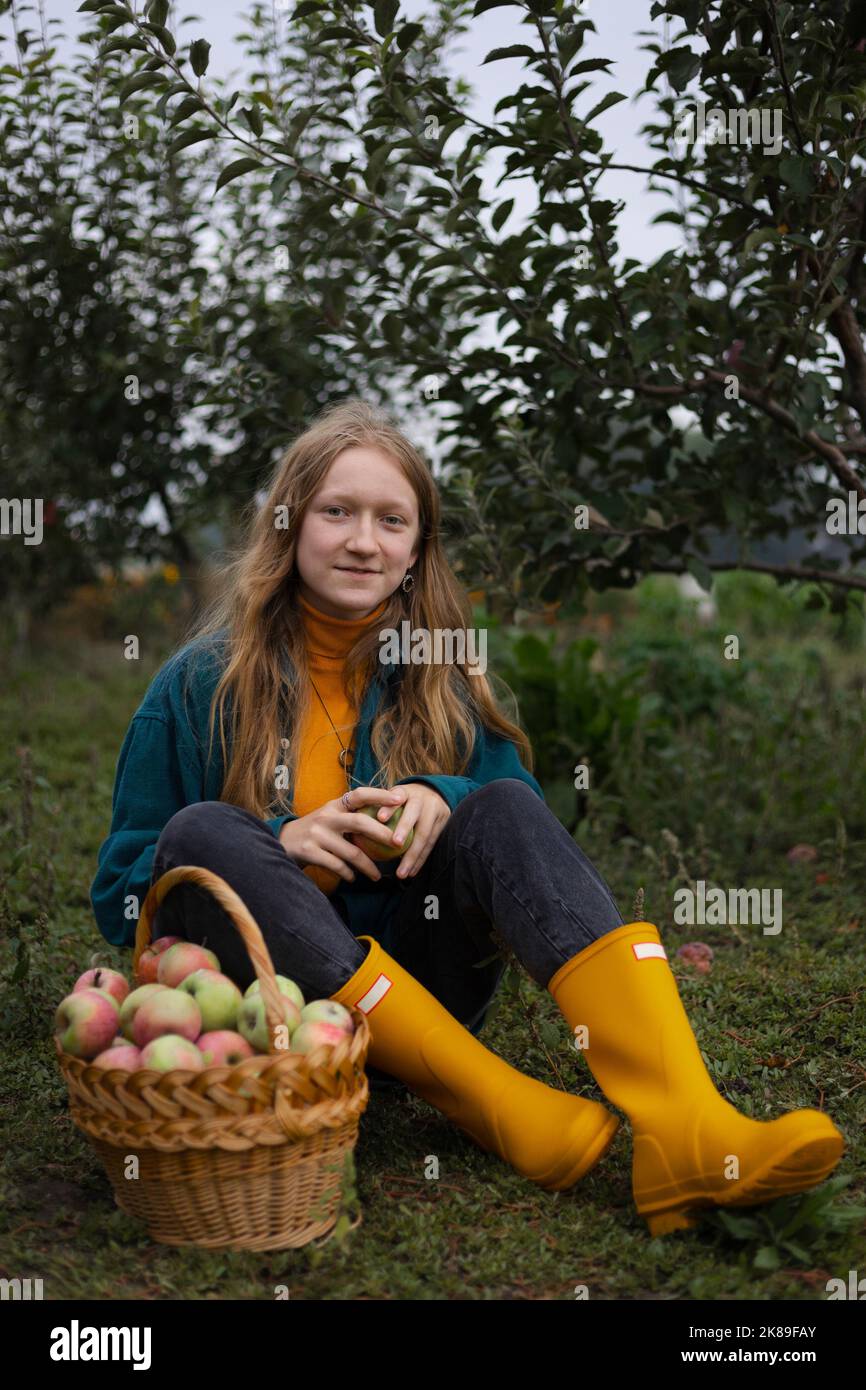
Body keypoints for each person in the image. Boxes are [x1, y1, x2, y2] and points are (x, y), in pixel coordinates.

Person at [90, 398, 844, 1235]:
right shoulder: (198, 687)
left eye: (391, 520)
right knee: (199, 831)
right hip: (272, 1017)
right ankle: (496, 1103)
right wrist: (280, 846)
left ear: (417, 550)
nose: (362, 540)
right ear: (289, 525)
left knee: (505, 802)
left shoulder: (438, 679)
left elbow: (514, 841)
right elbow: (125, 893)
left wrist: (440, 800)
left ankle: (687, 1127)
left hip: (429, 985)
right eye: (336, 512)